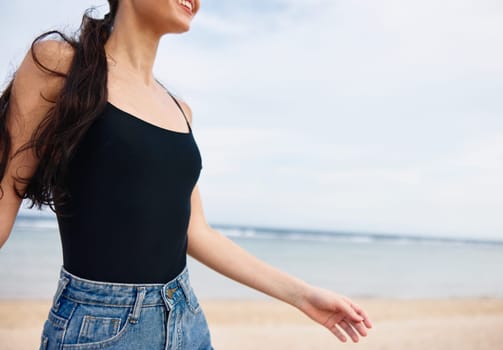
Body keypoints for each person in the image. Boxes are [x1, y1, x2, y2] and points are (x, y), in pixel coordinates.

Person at [0, 0, 373, 348]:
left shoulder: (180, 110)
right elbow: (6, 194)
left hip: (186, 317)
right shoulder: (59, 64)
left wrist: (302, 295)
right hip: (99, 327)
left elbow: (196, 232)